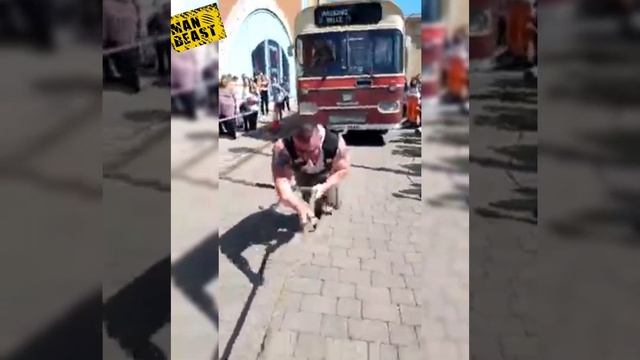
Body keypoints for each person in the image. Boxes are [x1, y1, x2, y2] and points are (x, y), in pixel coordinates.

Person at [271, 121, 350, 227]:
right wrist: (298, 205)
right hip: (302, 172)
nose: (306, 156)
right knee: (304, 193)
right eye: (300, 151)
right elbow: (282, 189)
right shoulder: (282, 148)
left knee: (330, 199)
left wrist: (325, 186)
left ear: (320, 139)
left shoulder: (335, 144)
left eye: (312, 151)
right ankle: (306, 209)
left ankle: (324, 205)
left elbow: (344, 169)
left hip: (326, 171)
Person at [103, 0, 142, 93]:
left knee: (131, 80)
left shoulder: (133, 5)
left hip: (130, 45)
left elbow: (138, 24)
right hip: (116, 45)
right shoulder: (106, 5)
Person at [146, 1, 171, 77]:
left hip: (169, 41)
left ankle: (169, 71)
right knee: (160, 56)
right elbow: (150, 26)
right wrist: (153, 35)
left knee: (170, 56)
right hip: (160, 40)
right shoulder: (158, 17)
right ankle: (161, 72)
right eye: (168, 8)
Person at [219, 75, 237, 139]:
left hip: (223, 104)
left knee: (223, 119)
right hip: (229, 105)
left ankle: (225, 132)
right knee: (230, 119)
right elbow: (234, 95)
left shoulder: (221, 88)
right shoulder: (230, 88)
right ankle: (232, 134)